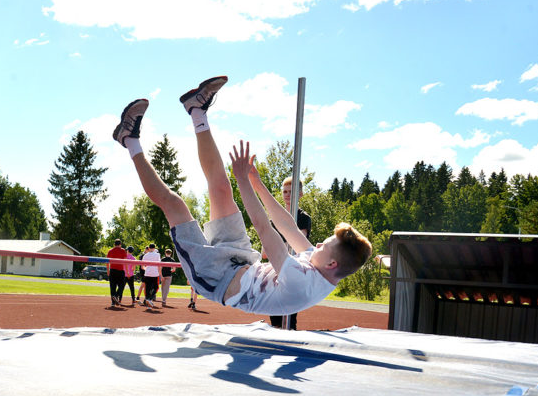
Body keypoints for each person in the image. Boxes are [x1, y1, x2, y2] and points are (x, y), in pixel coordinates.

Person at [113, 75, 372, 316]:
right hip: (242, 258)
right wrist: (257, 184)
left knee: (175, 205)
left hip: (217, 278)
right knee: (221, 188)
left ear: (332, 264)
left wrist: (243, 182)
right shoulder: (320, 264)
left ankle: (129, 138)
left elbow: (265, 230)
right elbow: (287, 226)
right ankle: (197, 110)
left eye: (323, 246)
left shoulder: (302, 284)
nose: (317, 245)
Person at [269, 176, 311, 330]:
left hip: (293, 271)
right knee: (274, 317)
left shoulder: (303, 218)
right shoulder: (275, 219)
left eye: (291, 192)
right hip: (275, 271)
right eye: (284, 192)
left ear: (300, 194)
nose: (287, 195)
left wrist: (278, 246)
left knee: (289, 317)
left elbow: (297, 244)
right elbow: (266, 250)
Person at [106, 238, 128, 307]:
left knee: (113, 286)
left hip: (112, 270)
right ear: (120, 244)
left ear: (114, 244)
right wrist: (127, 271)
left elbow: (107, 262)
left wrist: (108, 270)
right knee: (122, 285)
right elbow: (125, 262)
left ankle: (113, 302)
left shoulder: (110, 251)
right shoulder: (123, 250)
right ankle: (116, 296)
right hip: (120, 271)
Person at [139, 243, 161, 309]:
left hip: (147, 273)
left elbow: (142, 266)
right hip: (154, 274)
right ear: (154, 248)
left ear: (148, 248)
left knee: (148, 289)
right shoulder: (157, 255)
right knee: (156, 287)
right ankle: (149, 299)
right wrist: (159, 272)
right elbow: (159, 265)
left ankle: (148, 304)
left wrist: (147, 269)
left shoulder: (145, 255)